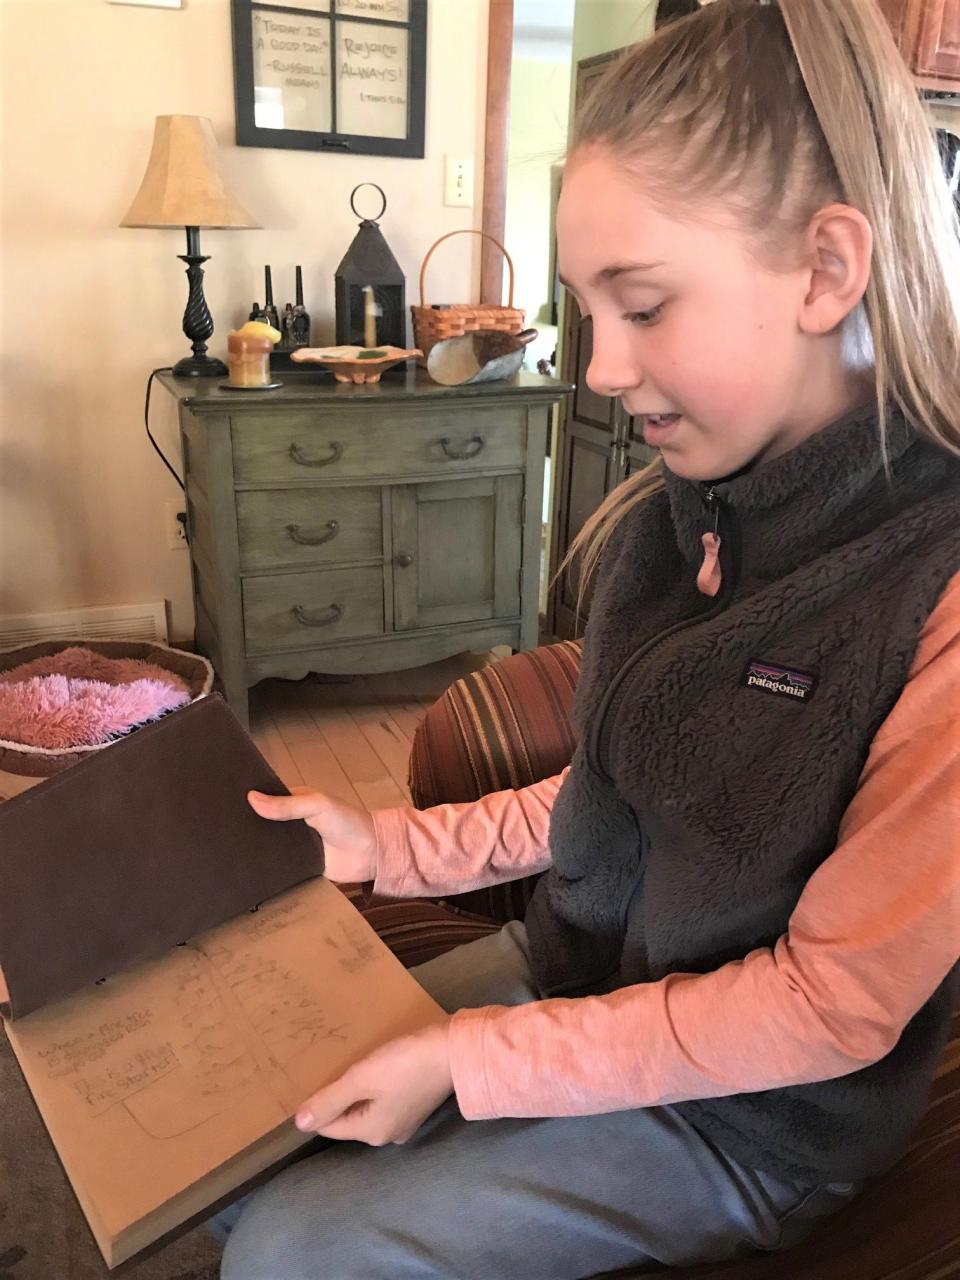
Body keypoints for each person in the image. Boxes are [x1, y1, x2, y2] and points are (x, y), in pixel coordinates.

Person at [215, 2, 960, 1276]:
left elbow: (835, 1004)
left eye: (646, 306)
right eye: (584, 310)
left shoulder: (931, 588)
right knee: (241, 1138)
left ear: (827, 270)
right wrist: (383, 843)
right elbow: (618, 792)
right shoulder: (671, 525)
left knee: (285, 1250)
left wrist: (470, 1059)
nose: (601, 366)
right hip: (570, 974)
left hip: (748, 1116)